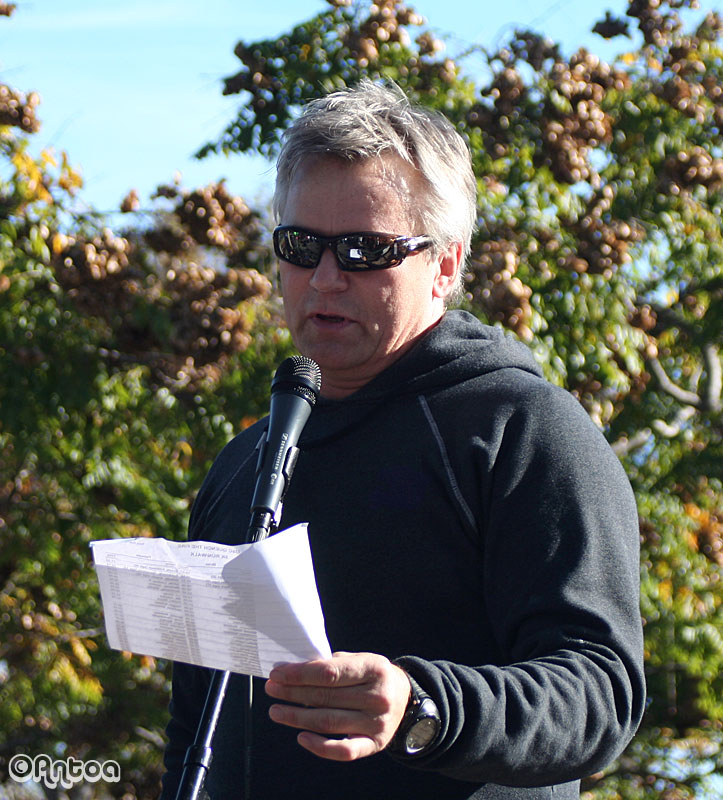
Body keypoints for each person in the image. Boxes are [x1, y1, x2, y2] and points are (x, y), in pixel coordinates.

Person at [160, 80, 645, 800]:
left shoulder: (523, 429)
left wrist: (424, 709)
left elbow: (600, 694)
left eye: (365, 250)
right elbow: (195, 725)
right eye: (301, 246)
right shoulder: (243, 463)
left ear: (445, 266)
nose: (325, 278)